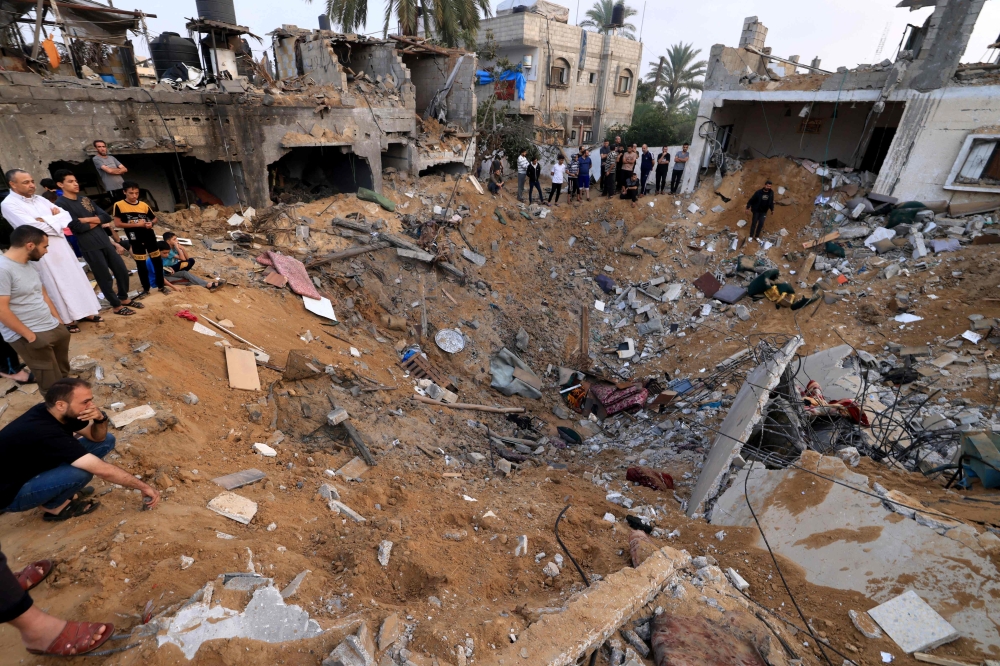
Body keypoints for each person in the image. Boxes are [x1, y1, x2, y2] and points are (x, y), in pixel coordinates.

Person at [0, 377, 161, 656]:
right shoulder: (43, 429)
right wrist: (143, 486)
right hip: (9, 493)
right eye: (85, 401)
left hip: (27, 470)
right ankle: (54, 506)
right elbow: (101, 470)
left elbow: (97, 438)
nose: (91, 404)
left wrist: (100, 418)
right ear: (61, 404)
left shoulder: (56, 413)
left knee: (106, 441)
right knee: (82, 471)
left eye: (91, 399)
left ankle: (54, 490)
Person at [1, 170, 101, 333]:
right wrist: (54, 220)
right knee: (54, 283)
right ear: (13, 184)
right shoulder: (9, 204)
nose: (31, 185)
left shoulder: (40, 199)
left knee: (73, 277)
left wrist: (46, 220)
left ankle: (84, 312)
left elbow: (66, 217)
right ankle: (66, 319)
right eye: (26, 182)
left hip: (61, 245)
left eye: (32, 181)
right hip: (39, 249)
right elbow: (33, 229)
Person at [54, 170, 139, 317]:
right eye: (70, 181)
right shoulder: (61, 204)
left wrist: (87, 219)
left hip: (104, 241)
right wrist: (96, 221)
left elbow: (106, 217)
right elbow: (77, 227)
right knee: (104, 277)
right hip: (89, 245)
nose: (75, 184)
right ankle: (116, 305)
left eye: (75, 181)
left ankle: (123, 298)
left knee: (121, 270)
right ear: (60, 184)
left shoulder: (85, 199)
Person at [0, 226, 71, 390]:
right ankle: (58, 404)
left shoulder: (27, 264)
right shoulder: (3, 269)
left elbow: (43, 294)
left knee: (63, 375)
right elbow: (1, 310)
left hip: (51, 326)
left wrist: (59, 323)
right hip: (30, 333)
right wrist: (30, 337)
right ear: (30, 245)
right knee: (51, 384)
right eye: (45, 246)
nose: (46, 251)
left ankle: (67, 397)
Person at [112, 181, 171, 296]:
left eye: (137, 193)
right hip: (135, 238)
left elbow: (154, 218)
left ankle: (161, 286)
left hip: (149, 236)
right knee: (141, 265)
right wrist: (136, 225)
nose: (134, 196)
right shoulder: (119, 205)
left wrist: (151, 223)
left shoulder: (143, 205)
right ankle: (146, 289)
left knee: (157, 262)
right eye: (131, 193)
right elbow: (117, 223)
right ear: (124, 192)